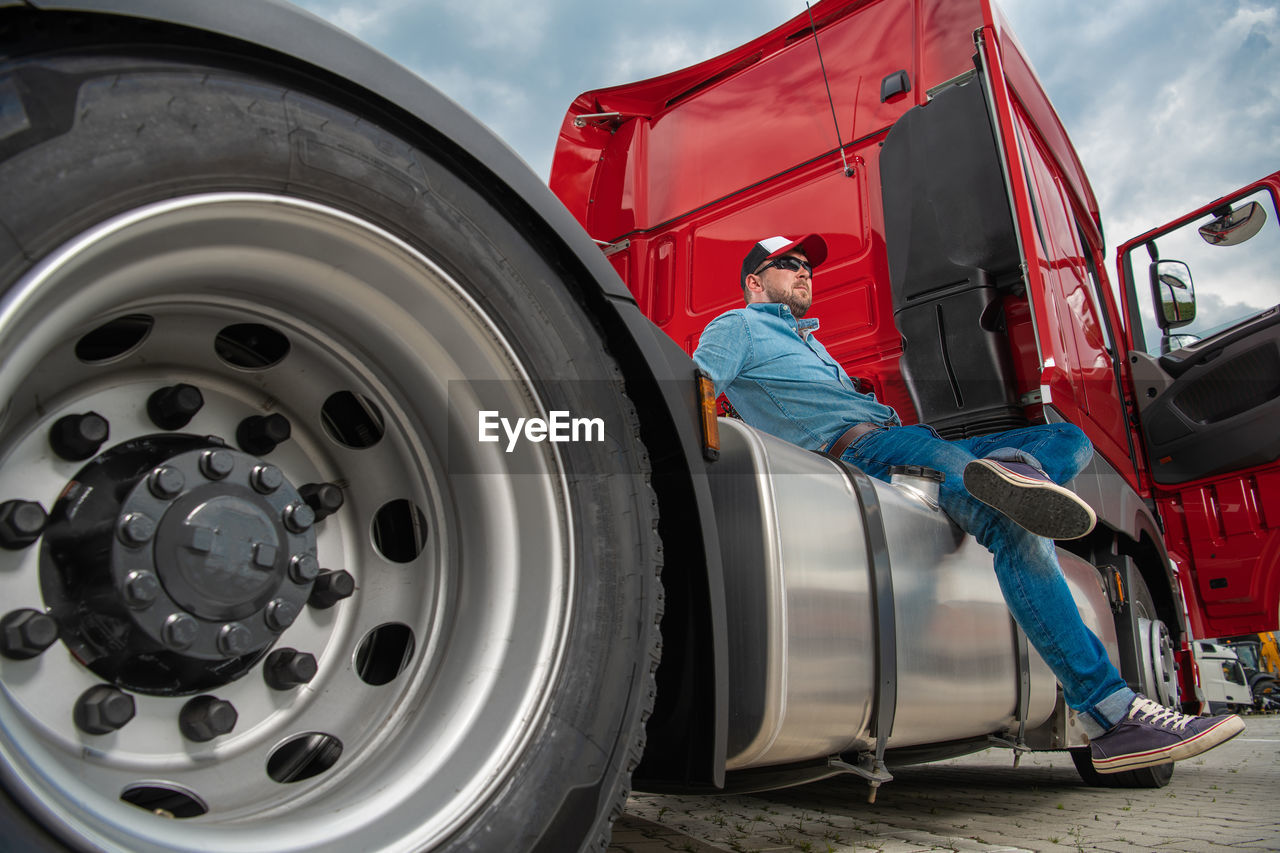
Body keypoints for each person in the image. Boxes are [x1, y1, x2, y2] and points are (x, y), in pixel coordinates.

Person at [693, 233, 1244, 774]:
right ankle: (1113, 716)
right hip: (869, 449)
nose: (804, 271)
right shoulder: (737, 327)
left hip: (915, 438)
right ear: (754, 282)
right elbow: (693, 386)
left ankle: (1019, 483)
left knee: (1069, 441)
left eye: (806, 265)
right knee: (1017, 532)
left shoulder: (812, 341)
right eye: (788, 264)